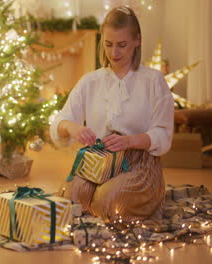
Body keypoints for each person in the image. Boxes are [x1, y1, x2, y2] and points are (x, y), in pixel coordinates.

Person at [50, 6, 174, 222]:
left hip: (139, 164)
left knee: (110, 202)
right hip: (98, 161)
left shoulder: (153, 81)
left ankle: (110, 200)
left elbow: (164, 136)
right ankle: (96, 201)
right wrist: (73, 128)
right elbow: (60, 122)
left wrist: (130, 141)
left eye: (122, 45)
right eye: (108, 44)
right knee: (70, 199)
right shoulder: (91, 81)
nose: (114, 53)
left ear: (138, 41)